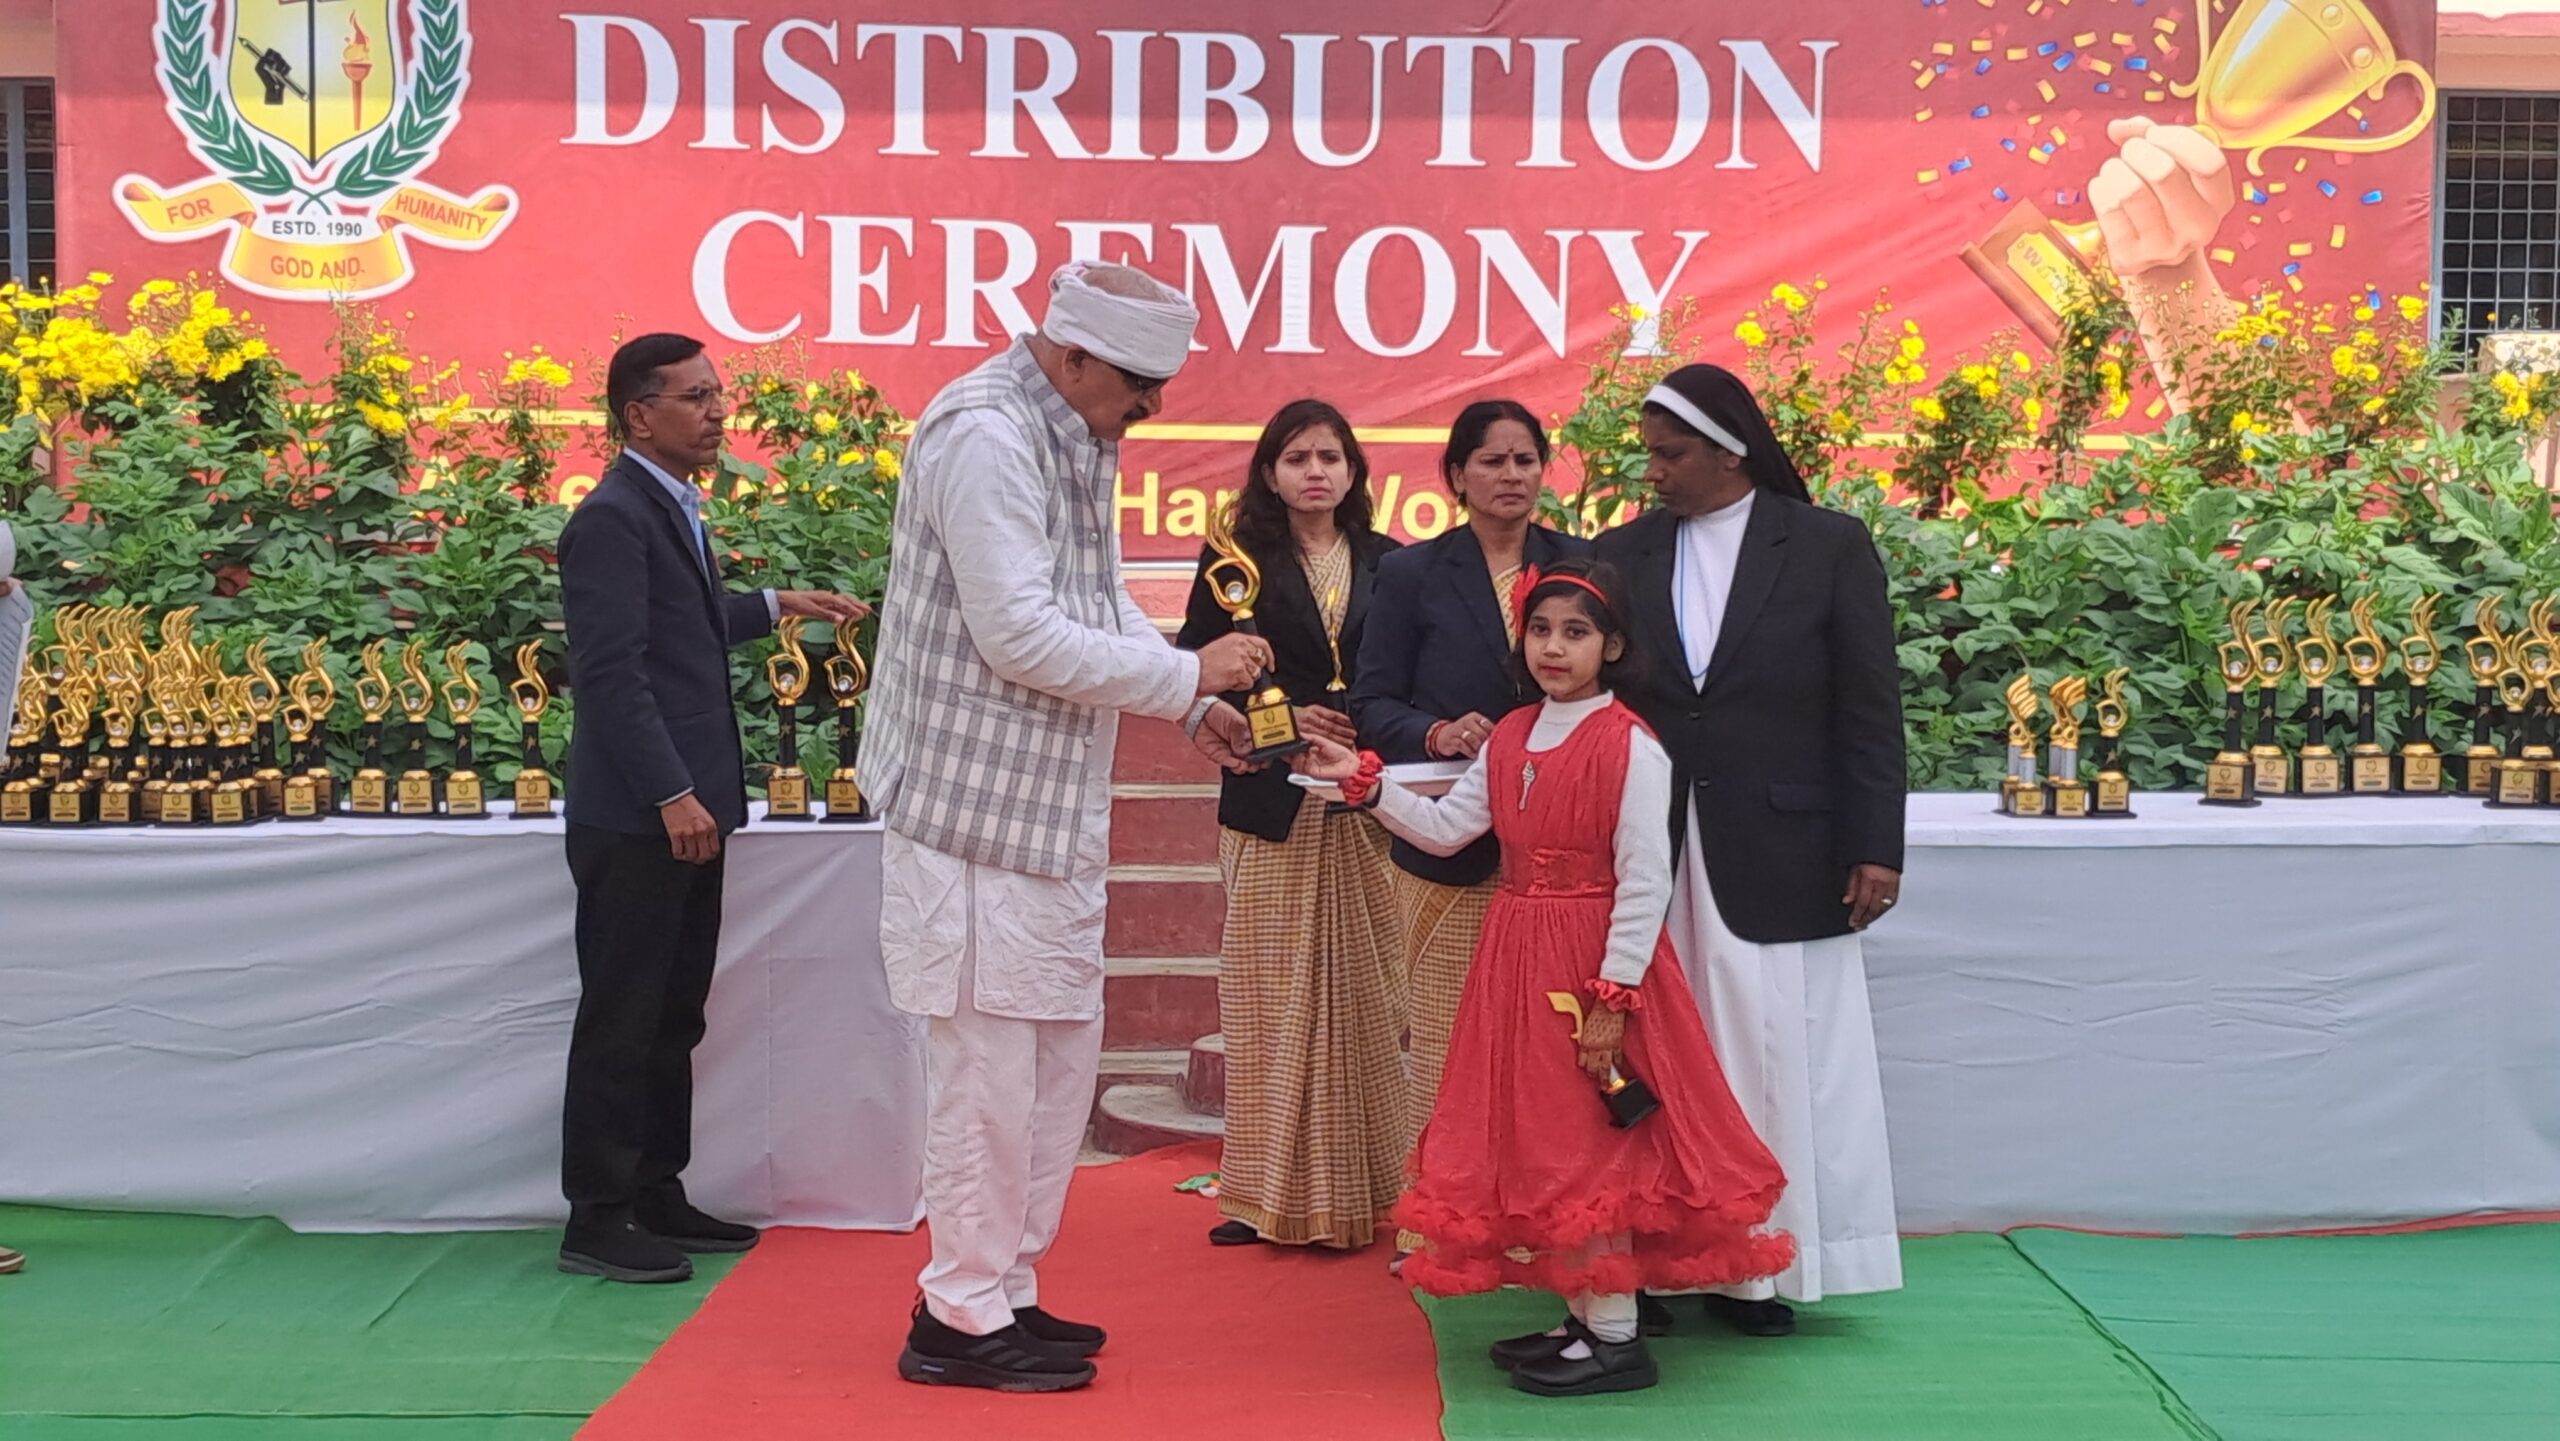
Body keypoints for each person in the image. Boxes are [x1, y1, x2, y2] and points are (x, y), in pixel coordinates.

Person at [866, 261, 1274, 1393]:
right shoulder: (987, 435)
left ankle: (1004, 1285)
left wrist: (1186, 704)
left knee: (1052, 1065)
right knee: (986, 1077)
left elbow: (1093, 605)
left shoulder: (1073, 430)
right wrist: (1190, 670)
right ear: (1075, 355)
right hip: (968, 813)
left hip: (1044, 809)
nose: (1153, 406)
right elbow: (1020, 637)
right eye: (1140, 383)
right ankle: (956, 1313)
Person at [1301, 559, 1792, 1397]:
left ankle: (1617, 1335)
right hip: (1517, 954)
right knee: (1548, 1135)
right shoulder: (1511, 734)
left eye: (1575, 632)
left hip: (1592, 966)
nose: (1554, 648)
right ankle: (1585, 1316)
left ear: (1613, 645)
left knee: (1595, 1145)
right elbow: (1448, 830)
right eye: (1540, 630)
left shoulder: (1630, 743)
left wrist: (1614, 995)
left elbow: (1645, 879)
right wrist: (1365, 782)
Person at [1592, 362, 1907, 1333]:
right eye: (1649, 453)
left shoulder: (1826, 545)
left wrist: (1876, 845)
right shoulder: (1622, 553)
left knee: (1772, 1056)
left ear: (1729, 451)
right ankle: (1654, 1264)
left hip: (1781, 849)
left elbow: (1868, 707)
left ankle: (1762, 1266)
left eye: (1671, 454)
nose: (1654, 471)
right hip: (1648, 852)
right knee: (1654, 1057)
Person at [554, 333, 867, 1285]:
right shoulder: (611, 518)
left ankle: (656, 1189)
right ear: (638, 414)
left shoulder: (669, 505)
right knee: (624, 1016)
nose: (718, 412)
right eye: (695, 397)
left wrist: (774, 603)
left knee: (674, 1013)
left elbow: (680, 626)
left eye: (718, 393)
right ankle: (597, 1215)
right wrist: (670, 791)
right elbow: (612, 675)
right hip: (641, 816)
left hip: (685, 811)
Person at [1348, 400, 1586, 1258]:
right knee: (1451, 1041)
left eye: (1526, 459)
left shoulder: (1579, 565)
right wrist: (1439, 732)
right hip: (1448, 844)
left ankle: (1544, 1228)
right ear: (1455, 475)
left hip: (1559, 856)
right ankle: (1444, 1225)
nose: (1512, 475)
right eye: (1492, 460)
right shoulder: (1411, 573)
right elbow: (1372, 701)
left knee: (1548, 1048)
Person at [1175, 399, 1406, 1252]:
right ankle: (1262, 1195)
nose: (1316, 472)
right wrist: (1284, 724)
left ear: (1354, 471)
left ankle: (1381, 1187)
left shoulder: (1393, 562)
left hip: (1370, 797)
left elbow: (1410, 676)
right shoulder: (1235, 562)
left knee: (1374, 998)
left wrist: (1361, 730)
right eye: (1298, 457)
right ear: (1270, 473)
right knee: (1270, 997)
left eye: (1330, 457)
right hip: (1273, 799)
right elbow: (1194, 674)